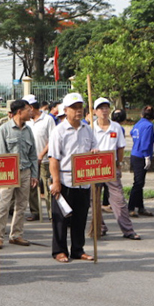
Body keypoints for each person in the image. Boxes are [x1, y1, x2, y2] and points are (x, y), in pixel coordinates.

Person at [48, 93, 96, 263]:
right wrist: (56, 182)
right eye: (74, 108)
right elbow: (53, 158)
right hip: (65, 179)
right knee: (60, 219)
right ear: (66, 110)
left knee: (80, 217)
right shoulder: (59, 131)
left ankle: (78, 249)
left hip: (83, 181)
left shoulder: (87, 129)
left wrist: (94, 154)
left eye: (80, 107)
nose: (78, 111)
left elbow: (93, 149)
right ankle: (60, 250)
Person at [89, 97, 140, 240]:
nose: (104, 111)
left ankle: (128, 230)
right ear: (95, 111)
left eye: (106, 108)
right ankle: (99, 226)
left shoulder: (116, 127)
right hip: (95, 167)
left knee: (118, 200)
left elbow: (120, 147)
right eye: (100, 108)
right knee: (94, 200)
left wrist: (119, 165)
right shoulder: (90, 128)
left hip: (110, 166)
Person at [0, 99, 39, 248]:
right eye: (28, 109)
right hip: (8, 173)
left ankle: (16, 235)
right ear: (19, 112)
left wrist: (34, 174)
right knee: (4, 205)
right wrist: (4, 174)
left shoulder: (28, 130)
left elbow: (33, 154)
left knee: (21, 205)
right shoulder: (3, 129)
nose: (31, 112)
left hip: (25, 171)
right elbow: (1, 155)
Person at [26, 97, 55, 222]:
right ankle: (35, 211)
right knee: (31, 186)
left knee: (48, 186)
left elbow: (52, 140)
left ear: (31, 108)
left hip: (45, 160)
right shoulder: (27, 121)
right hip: (30, 160)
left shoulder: (48, 119)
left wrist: (42, 154)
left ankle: (51, 212)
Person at [128, 106, 154, 218]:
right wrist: (147, 156)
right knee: (138, 183)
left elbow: (132, 133)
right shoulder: (149, 126)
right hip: (141, 156)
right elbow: (146, 142)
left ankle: (140, 207)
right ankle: (130, 207)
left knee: (140, 183)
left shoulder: (138, 123)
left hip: (134, 154)